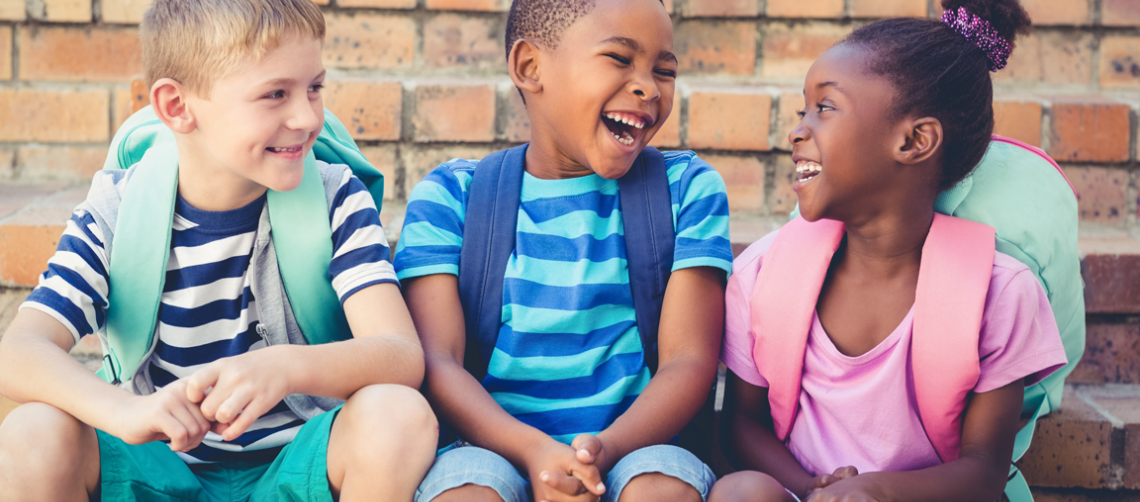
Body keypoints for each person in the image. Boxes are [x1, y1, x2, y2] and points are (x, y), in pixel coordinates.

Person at [0, 1, 436, 500]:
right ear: (177, 107)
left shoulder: (338, 197)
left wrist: (286, 367)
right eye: (275, 94)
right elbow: (18, 353)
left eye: (314, 87)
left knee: (398, 415)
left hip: (299, 466)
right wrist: (124, 411)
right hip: (155, 470)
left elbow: (401, 355)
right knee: (30, 433)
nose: (307, 117)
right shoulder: (117, 212)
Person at [711, 1, 1069, 501]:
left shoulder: (999, 292)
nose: (797, 130)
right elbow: (741, 425)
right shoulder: (764, 275)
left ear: (915, 141)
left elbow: (985, 469)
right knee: (740, 492)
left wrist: (874, 493)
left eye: (826, 108)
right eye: (802, 111)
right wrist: (817, 491)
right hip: (803, 493)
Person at [394, 0, 734, 500]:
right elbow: (438, 360)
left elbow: (689, 360)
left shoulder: (687, 189)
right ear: (531, 68)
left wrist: (603, 451)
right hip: (491, 450)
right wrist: (534, 453)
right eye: (620, 58)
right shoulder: (453, 197)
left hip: (638, 449)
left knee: (659, 487)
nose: (648, 86)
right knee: (464, 491)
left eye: (664, 70)